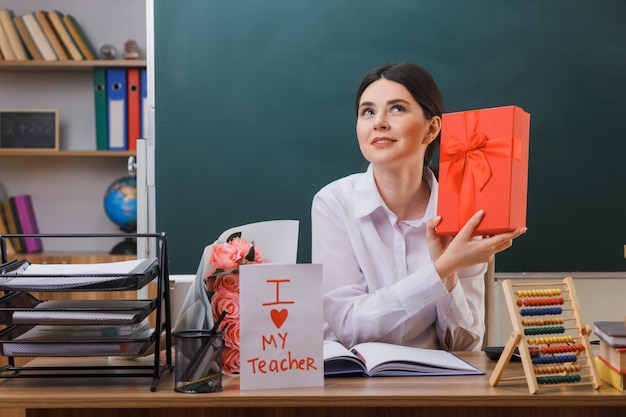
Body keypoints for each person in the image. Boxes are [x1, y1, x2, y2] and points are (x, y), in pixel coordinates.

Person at [311, 62, 526, 351]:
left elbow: (467, 345)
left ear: (432, 128)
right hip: (352, 385)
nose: (379, 122)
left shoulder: (465, 208)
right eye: (368, 111)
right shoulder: (334, 202)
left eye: (397, 108)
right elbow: (349, 328)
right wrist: (444, 267)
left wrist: (450, 280)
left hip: (435, 388)